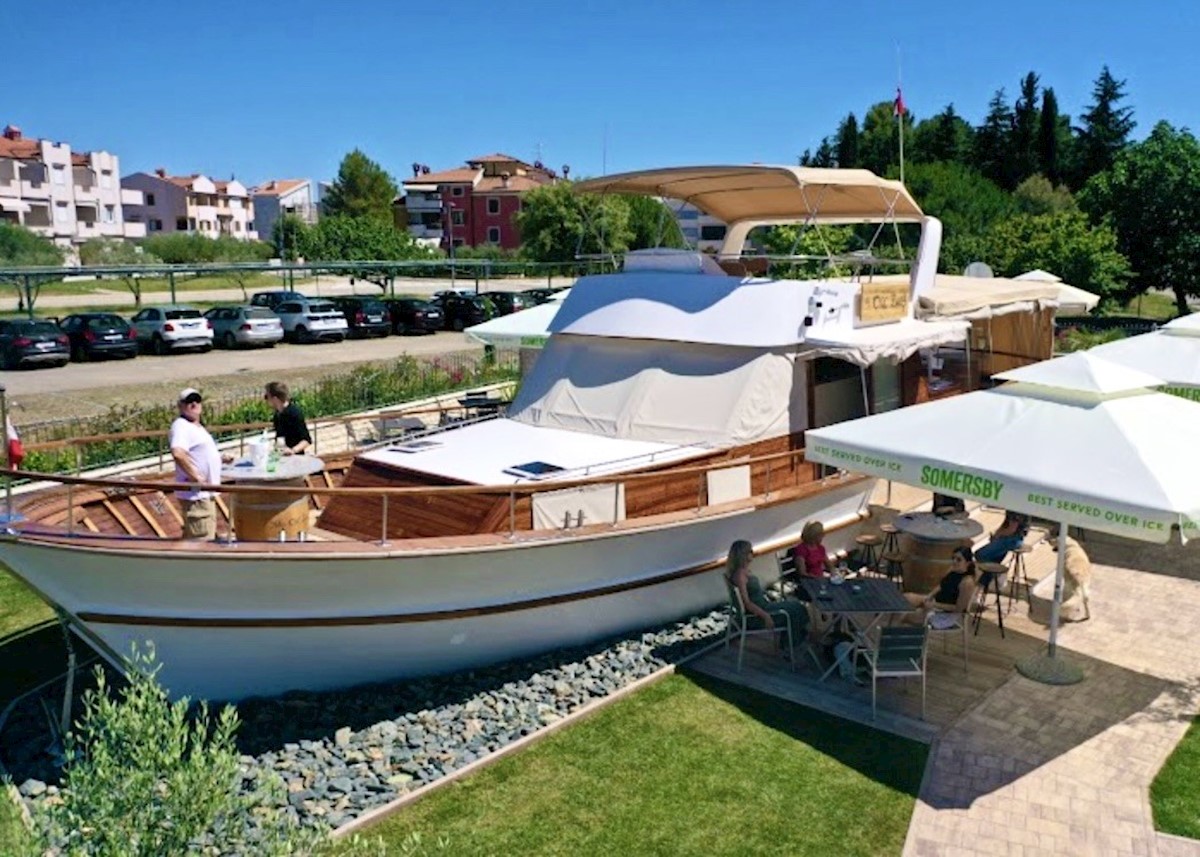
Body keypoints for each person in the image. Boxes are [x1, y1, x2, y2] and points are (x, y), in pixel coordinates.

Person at [169, 388, 228, 540]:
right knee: (201, 541)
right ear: (180, 406)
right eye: (189, 401)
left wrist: (220, 458)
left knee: (202, 535)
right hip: (196, 496)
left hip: (204, 494)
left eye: (197, 400)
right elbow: (178, 453)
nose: (194, 404)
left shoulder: (196, 427)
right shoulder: (181, 426)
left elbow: (199, 455)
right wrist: (196, 477)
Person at [726, 539, 811, 643]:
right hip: (758, 614)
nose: (753, 553)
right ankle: (791, 643)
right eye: (750, 551)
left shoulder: (743, 571)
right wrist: (766, 616)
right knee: (796, 610)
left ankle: (792, 639)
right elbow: (747, 603)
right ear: (743, 554)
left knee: (797, 606)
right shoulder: (740, 575)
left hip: (764, 605)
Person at [903, 545, 978, 622]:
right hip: (936, 603)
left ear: (968, 563)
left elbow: (958, 609)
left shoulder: (967, 582)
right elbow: (941, 585)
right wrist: (929, 596)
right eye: (953, 558)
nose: (954, 561)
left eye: (959, 560)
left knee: (903, 615)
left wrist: (935, 605)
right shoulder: (952, 570)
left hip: (946, 614)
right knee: (905, 598)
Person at [264, 381, 311, 455]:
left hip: (296, 458)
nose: (265, 400)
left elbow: (306, 440)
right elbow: (280, 437)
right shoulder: (277, 414)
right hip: (281, 456)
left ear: (275, 399)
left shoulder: (294, 413)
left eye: (267, 397)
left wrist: (292, 451)